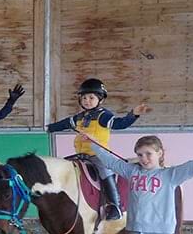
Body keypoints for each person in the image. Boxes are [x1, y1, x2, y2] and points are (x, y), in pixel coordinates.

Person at [48, 78, 150, 220]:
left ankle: (115, 206)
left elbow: (120, 124)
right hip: (80, 155)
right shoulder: (79, 118)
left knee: (104, 171)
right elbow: (63, 124)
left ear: (100, 100)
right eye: (84, 98)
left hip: (99, 155)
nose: (87, 101)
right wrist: (48, 128)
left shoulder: (103, 115)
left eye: (91, 97)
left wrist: (133, 114)